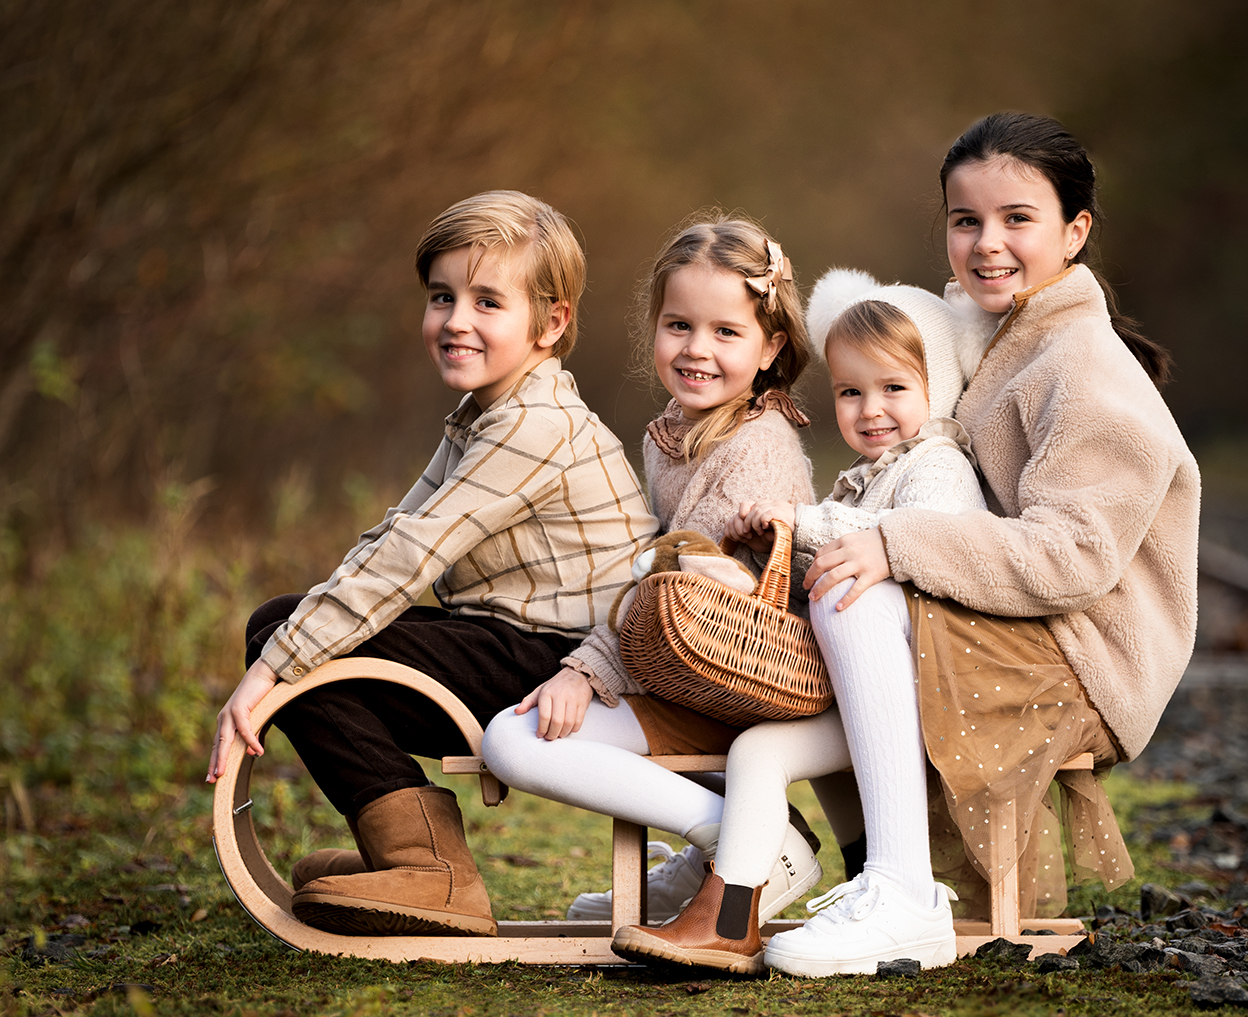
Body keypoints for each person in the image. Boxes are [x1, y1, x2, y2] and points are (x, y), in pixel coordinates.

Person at [763, 111, 1200, 978]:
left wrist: (896, 542)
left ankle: (899, 889)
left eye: (1017, 219)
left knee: (856, 585)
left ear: (1074, 232)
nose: (987, 243)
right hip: (1027, 621)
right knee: (822, 594)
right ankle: (815, 864)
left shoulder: (1084, 366)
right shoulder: (991, 334)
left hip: (1085, 653)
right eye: (966, 220)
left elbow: (1073, 557)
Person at [206, 191, 659, 938]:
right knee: (289, 632)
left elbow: (413, 557)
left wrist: (272, 666)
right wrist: (290, 645)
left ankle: (432, 866)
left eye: (488, 301)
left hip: (567, 668)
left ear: (551, 322)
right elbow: (392, 535)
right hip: (513, 645)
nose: (456, 320)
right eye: (442, 297)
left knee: (285, 637)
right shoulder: (487, 412)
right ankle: (412, 852)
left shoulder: (535, 424)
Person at [481, 214, 862, 946]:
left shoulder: (755, 443)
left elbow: (679, 590)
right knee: (520, 730)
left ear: (771, 345)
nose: (696, 350)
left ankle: (742, 844)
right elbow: (646, 573)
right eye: (678, 324)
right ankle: (718, 850)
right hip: (686, 671)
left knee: (513, 739)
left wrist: (586, 669)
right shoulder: (675, 433)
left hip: (734, 680)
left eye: (726, 332)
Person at [608, 269, 989, 973]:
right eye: (850, 392)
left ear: (937, 387)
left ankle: (758, 911)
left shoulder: (937, 464)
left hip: (910, 685)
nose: (869, 409)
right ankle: (819, 895)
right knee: (759, 748)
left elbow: (923, 533)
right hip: (867, 684)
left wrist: (804, 523)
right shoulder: (866, 472)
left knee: (762, 751)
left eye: (893, 388)